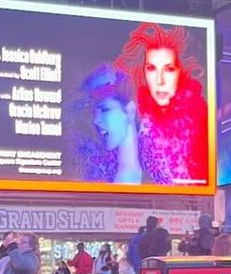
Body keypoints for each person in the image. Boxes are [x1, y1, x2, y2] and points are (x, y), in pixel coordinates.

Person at [116, 23, 209, 187]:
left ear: (182, 71)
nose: (160, 81)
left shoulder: (201, 121)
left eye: (169, 69)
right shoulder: (139, 119)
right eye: (151, 68)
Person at [74, 64, 142, 184]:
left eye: (105, 110)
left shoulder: (160, 178)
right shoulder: (94, 178)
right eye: (95, 113)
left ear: (129, 110)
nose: (96, 120)